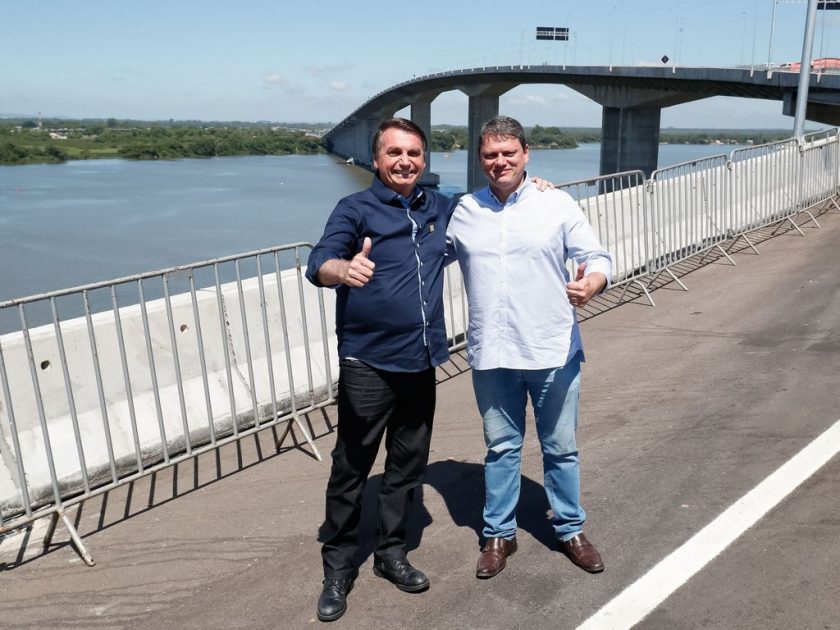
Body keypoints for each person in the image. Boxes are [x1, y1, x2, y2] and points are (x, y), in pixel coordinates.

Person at [446, 115, 613, 579]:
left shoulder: (554, 202)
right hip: (492, 353)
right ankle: (499, 534)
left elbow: (595, 257)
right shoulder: (462, 211)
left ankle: (571, 529)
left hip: (552, 349)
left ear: (526, 155)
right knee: (501, 448)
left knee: (560, 448)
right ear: (480, 160)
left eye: (508, 153)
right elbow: (418, 248)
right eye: (490, 155)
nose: (500, 161)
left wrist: (592, 284)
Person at [305, 118, 452, 622]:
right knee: (351, 467)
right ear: (376, 159)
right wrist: (343, 270)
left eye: (413, 152)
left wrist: (532, 186)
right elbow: (320, 260)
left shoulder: (439, 207)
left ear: (424, 160)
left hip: (420, 361)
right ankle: (339, 566)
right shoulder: (355, 209)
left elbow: (493, 205)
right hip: (368, 362)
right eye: (394, 152)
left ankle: (391, 553)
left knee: (407, 466)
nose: (405, 161)